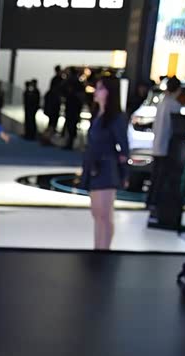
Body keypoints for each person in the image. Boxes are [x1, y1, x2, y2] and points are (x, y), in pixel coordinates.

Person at [81, 77, 129, 250]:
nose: (96, 91)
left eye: (100, 88)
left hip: (107, 168)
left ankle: (104, 251)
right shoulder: (97, 115)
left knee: (104, 215)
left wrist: (124, 174)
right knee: (96, 214)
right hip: (94, 167)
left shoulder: (116, 118)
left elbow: (124, 148)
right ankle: (98, 249)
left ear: (109, 92)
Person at [149, 77, 183, 211]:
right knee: (162, 177)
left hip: (157, 144)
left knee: (155, 176)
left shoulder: (161, 102)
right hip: (167, 146)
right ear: (178, 90)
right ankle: (157, 201)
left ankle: (151, 200)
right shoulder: (174, 105)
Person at [63, 73, 84, 150]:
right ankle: (70, 142)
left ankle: (70, 143)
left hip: (72, 110)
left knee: (70, 127)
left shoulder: (72, 93)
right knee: (71, 127)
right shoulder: (78, 89)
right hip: (74, 110)